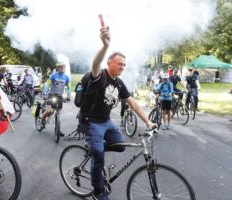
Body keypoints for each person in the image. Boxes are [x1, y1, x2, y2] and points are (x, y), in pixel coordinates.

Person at [79, 26, 156, 200]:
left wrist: (148, 122)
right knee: (98, 156)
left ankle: (95, 146)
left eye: (124, 65)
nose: (123, 67)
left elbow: (134, 104)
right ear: (109, 63)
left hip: (105, 121)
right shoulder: (100, 76)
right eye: (119, 64)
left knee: (120, 146)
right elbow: (95, 64)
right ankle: (98, 192)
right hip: (90, 122)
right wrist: (105, 46)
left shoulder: (119, 84)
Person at [40, 62, 71, 132]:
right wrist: (45, 93)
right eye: (60, 67)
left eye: (63, 67)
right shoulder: (53, 76)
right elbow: (47, 85)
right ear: (58, 68)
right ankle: (42, 121)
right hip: (51, 95)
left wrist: (68, 96)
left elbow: (68, 88)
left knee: (58, 114)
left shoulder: (66, 77)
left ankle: (58, 129)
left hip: (59, 97)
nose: (62, 68)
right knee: (48, 111)